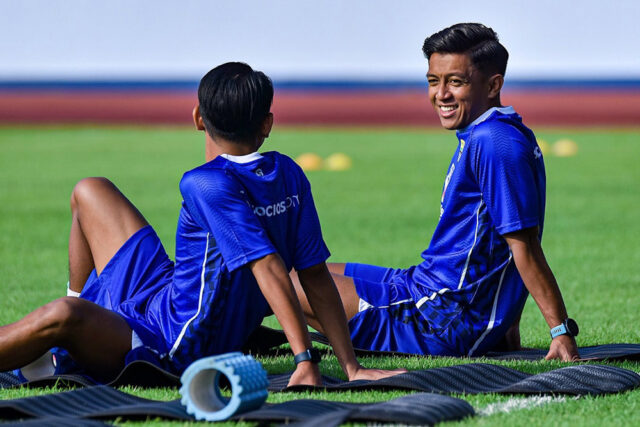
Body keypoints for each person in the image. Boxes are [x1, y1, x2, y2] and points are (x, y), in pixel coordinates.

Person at [0, 62, 404, 385]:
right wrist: (350, 367)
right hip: (165, 292)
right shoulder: (289, 172)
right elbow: (314, 275)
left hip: (171, 342)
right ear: (268, 123)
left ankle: (65, 339)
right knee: (91, 190)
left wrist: (305, 360)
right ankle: (74, 327)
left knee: (63, 315)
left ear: (197, 118)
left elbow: (269, 268)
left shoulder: (205, 182)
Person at [292, 23, 580, 361]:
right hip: (425, 287)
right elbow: (498, 244)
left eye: (455, 82)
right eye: (433, 81)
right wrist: (506, 323)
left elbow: (524, 245)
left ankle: (223, 349)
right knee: (305, 272)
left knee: (279, 283)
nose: (441, 94)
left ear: (493, 85)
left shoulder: (494, 143)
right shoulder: (493, 132)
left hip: (439, 318)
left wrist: (559, 331)